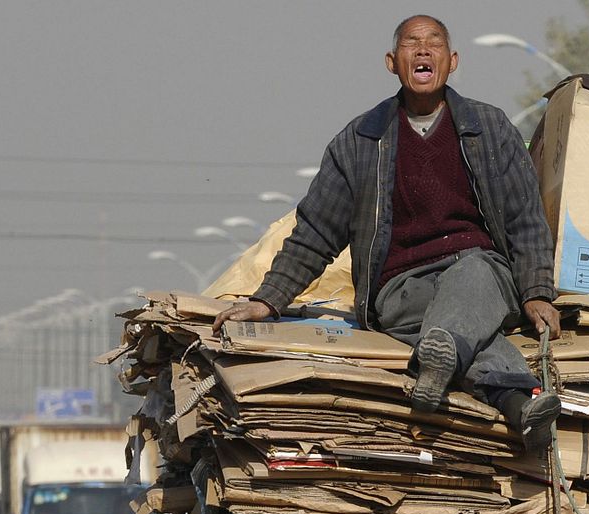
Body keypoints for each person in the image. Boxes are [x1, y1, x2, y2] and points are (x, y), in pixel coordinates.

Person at [213, 14, 563, 451]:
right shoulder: (360, 141)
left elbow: (524, 217)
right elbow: (317, 230)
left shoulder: (490, 129)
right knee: (458, 328)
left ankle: (450, 361)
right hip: (402, 287)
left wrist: (536, 290)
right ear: (391, 63)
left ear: (452, 61)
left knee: (470, 279)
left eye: (433, 43)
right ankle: (520, 399)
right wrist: (268, 300)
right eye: (410, 44)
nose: (421, 50)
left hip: (481, 271)